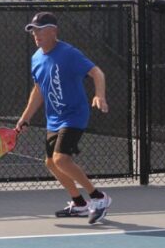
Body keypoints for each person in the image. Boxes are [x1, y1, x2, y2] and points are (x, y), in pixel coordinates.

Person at [15, 12, 112, 225]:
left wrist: (99, 95)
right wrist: (25, 118)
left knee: (61, 159)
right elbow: (39, 90)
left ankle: (99, 198)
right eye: (33, 30)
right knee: (50, 162)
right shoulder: (36, 58)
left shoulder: (69, 53)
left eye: (40, 29)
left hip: (74, 115)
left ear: (53, 31)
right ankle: (79, 203)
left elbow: (97, 73)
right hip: (54, 119)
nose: (36, 34)